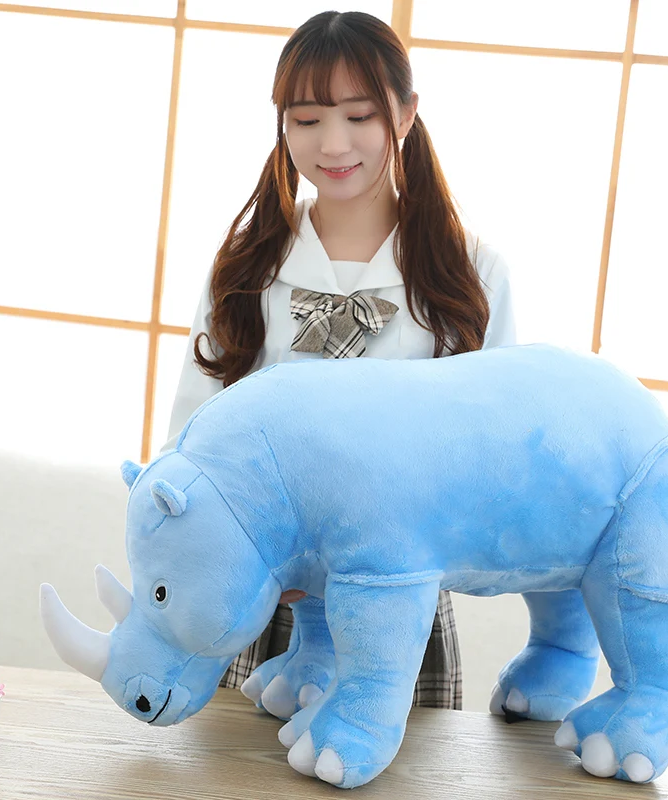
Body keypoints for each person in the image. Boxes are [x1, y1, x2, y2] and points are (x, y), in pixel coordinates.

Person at [163, 10, 516, 711]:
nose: (333, 144)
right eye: (307, 119)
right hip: (264, 592)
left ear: (405, 114)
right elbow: (193, 440)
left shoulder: (471, 271)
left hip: (398, 601)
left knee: (387, 760)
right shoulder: (248, 265)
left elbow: (492, 452)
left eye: (359, 116)